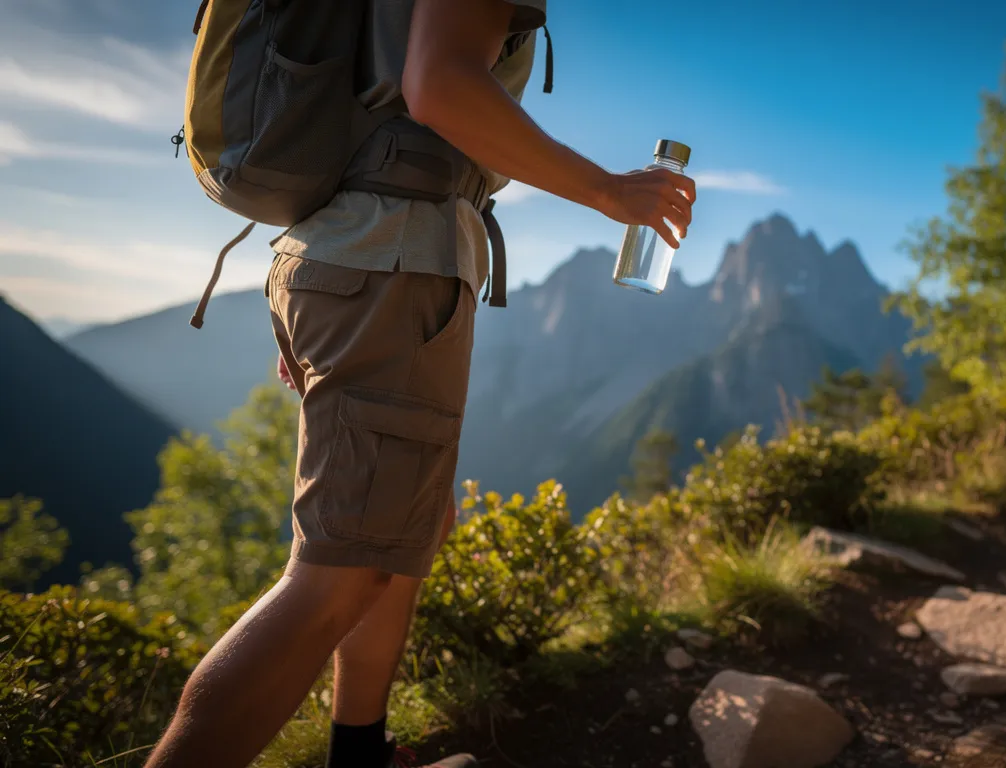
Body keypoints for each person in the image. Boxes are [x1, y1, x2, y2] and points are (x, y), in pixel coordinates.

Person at [144, 0, 695, 766]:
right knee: (338, 571)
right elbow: (439, 86)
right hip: (386, 264)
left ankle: (359, 750)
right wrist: (609, 191)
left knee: (405, 533)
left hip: (357, 257)